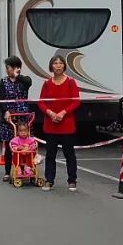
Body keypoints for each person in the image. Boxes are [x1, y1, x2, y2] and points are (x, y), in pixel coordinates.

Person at [39, 55, 81, 192]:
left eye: (60, 63)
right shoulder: (46, 83)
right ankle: (49, 180)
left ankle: (72, 180)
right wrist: (50, 113)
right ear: (51, 66)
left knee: (69, 153)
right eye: (55, 63)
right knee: (50, 154)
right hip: (50, 125)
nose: (58, 65)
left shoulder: (71, 82)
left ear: (64, 66)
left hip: (67, 124)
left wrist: (63, 112)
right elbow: (41, 102)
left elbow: (76, 101)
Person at [0, 56, 32, 179]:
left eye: (9, 68)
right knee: (9, 144)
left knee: (24, 145)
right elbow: (1, 99)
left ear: (16, 68)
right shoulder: (3, 81)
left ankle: (25, 169)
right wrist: (5, 111)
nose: (7, 70)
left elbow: (28, 83)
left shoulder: (24, 80)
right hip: (9, 117)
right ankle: (7, 171)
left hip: (22, 116)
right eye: (7, 68)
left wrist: (17, 76)